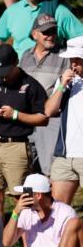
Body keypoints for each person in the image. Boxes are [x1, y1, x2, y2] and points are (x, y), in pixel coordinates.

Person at [0, 43, 48, 214]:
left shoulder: (31, 86)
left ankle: (27, 238)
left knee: (21, 197)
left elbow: (43, 118)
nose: (4, 77)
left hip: (16, 145)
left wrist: (16, 115)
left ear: (16, 62)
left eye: (7, 71)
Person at [20, 14, 69, 177]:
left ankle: (52, 202)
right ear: (34, 34)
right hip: (25, 117)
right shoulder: (26, 55)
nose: (51, 35)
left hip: (51, 120)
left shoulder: (64, 56)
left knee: (50, 169)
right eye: (46, 32)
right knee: (28, 167)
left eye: (53, 31)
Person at [45, 35, 83, 205]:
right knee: (58, 210)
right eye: (71, 59)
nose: (73, 64)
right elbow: (49, 110)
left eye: (77, 59)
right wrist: (61, 86)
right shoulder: (66, 83)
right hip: (65, 156)